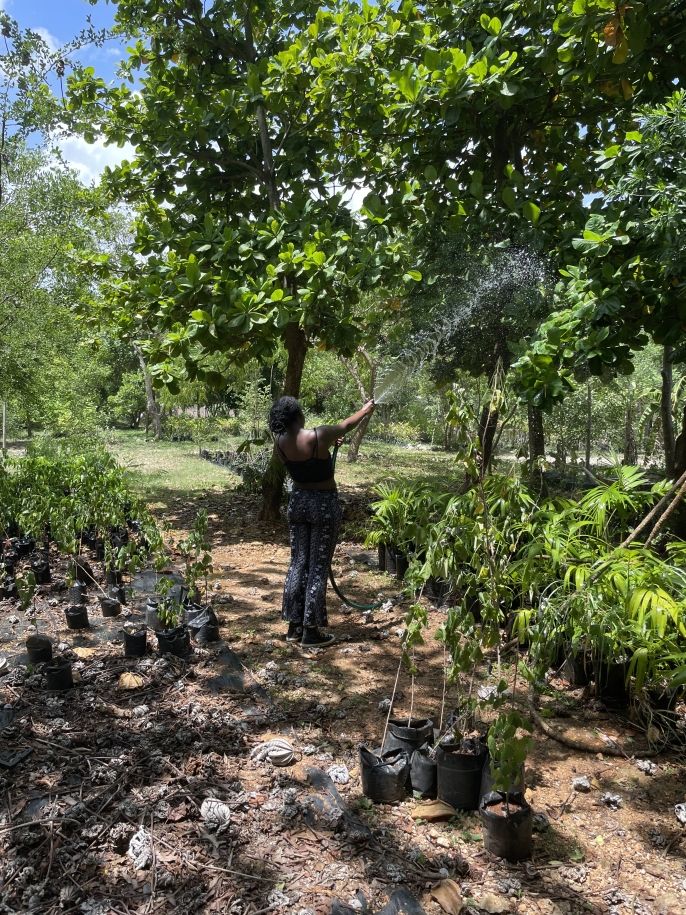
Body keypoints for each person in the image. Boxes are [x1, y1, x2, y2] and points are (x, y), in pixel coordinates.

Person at [268, 396, 376, 648]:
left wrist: (329, 446)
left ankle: (294, 627)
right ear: (298, 416)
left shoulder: (280, 444)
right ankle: (311, 631)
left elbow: (306, 463)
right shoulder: (318, 435)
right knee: (317, 566)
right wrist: (365, 409)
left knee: (298, 563)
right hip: (323, 505)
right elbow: (347, 425)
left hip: (298, 504)